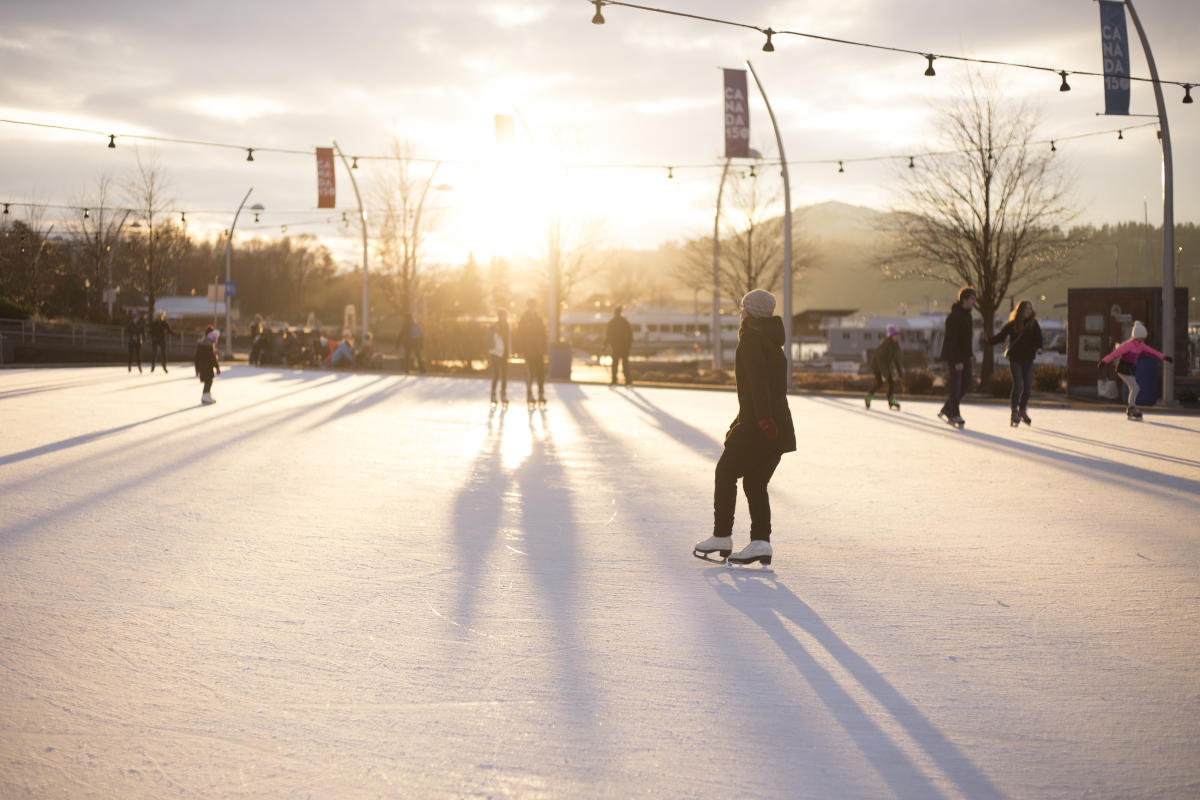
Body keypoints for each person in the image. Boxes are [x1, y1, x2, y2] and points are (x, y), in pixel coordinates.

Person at [694, 289, 796, 567]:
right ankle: (761, 542)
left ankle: (721, 536)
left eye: (743, 308)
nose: (741, 311)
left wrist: (761, 422)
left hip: (759, 426)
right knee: (754, 482)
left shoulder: (751, 340)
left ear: (750, 312)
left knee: (725, 472)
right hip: (776, 427)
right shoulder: (773, 342)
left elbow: (759, 387)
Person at [983, 300, 1044, 426]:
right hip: (1015, 359)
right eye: (1026, 309)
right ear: (1020, 310)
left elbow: (1039, 339)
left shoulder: (1034, 324)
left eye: (1030, 309)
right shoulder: (1013, 324)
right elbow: (1001, 336)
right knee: (1018, 385)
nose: (1028, 311)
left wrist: (1039, 348)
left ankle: (1022, 410)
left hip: (1028, 359)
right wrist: (989, 340)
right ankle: (1014, 412)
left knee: (1027, 387)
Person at [1098, 320, 1173, 420]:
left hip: (1130, 369)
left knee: (1134, 388)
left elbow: (1152, 352)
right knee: (1135, 387)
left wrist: (1164, 357)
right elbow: (1115, 353)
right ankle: (1131, 408)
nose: (1142, 340)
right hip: (1122, 369)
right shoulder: (1128, 345)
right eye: (1141, 338)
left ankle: (1131, 408)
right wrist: (1104, 361)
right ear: (1137, 336)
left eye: (1143, 338)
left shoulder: (1141, 345)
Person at [938, 286, 977, 428]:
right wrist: (956, 361)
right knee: (956, 386)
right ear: (965, 299)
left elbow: (967, 339)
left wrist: (970, 355)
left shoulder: (967, 315)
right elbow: (951, 341)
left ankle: (947, 407)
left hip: (965, 356)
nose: (974, 302)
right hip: (955, 357)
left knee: (967, 384)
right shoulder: (954, 317)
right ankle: (954, 412)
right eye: (972, 299)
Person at [516, 298, 547, 407]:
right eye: (530, 306)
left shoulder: (538, 319)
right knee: (530, 373)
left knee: (540, 373)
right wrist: (520, 350)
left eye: (534, 306)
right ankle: (529, 394)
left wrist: (544, 349)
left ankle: (541, 393)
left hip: (538, 350)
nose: (532, 308)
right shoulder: (524, 319)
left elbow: (543, 334)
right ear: (527, 307)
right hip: (528, 351)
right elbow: (519, 335)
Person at [865, 324, 904, 410]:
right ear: (891, 336)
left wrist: (900, 372)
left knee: (891, 383)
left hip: (885, 367)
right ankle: (869, 397)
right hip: (877, 366)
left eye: (898, 335)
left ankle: (891, 401)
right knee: (880, 383)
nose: (897, 337)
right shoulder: (885, 345)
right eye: (895, 335)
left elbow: (896, 359)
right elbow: (880, 360)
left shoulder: (895, 345)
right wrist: (884, 373)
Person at [603, 305, 634, 387]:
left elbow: (608, 335)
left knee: (615, 364)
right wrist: (629, 345)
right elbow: (630, 335)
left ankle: (614, 381)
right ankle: (628, 381)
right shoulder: (625, 322)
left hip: (616, 347)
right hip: (624, 347)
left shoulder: (612, 322)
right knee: (625, 364)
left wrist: (605, 345)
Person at [487, 309, 510, 406]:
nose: (503, 318)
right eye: (502, 316)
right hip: (495, 353)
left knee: (504, 375)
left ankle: (503, 394)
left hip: (504, 353)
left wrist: (509, 351)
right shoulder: (494, 327)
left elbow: (509, 340)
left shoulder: (507, 327)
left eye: (505, 316)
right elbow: (489, 338)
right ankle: (493, 393)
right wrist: (491, 347)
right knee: (496, 374)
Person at [193, 328, 221, 404]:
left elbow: (196, 357)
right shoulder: (209, 346)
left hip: (202, 367)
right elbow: (213, 358)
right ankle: (205, 395)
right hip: (208, 367)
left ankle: (207, 394)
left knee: (207, 381)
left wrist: (197, 368)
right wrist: (217, 367)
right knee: (208, 381)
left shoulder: (201, 344)